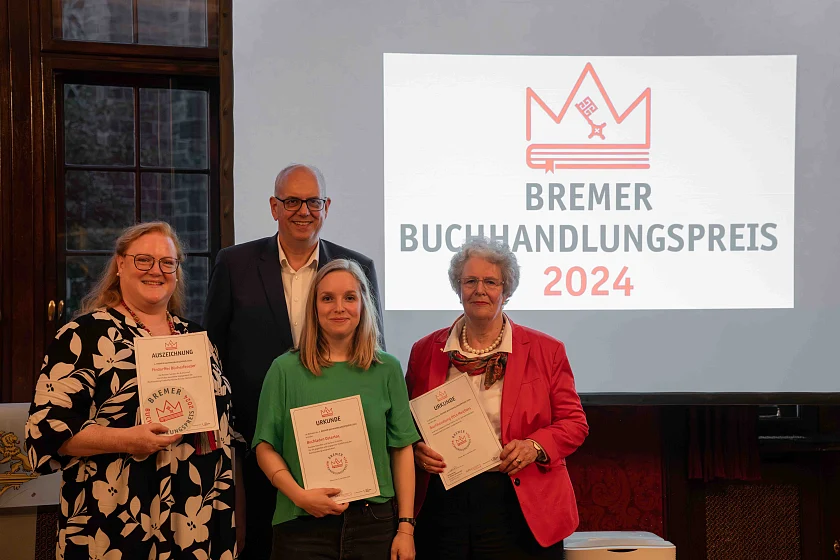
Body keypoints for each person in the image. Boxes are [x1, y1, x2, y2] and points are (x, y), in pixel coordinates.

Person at [25, 222, 240, 560]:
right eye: (143, 260)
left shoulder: (197, 339)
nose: (157, 271)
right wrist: (129, 440)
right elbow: (45, 432)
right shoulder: (82, 336)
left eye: (167, 263)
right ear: (120, 264)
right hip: (112, 518)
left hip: (195, 515)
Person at [203, 164, 383, 560]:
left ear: (326, 206)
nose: (303, 211)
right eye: (291, 201)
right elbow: (210, 351)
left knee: (339, 544)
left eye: (313, 201)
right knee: (265, 546)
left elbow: (372, 348)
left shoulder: (358, 268)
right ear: (274, 206)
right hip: (261, 438)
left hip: (343, 439)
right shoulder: (234, 265)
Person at [406, 237, 589, 559]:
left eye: (491, 281)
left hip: (519, 503)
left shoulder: (546, 351)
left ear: (507, 290)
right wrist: (416, 450)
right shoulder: (425, 351)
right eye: (470, 281)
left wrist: (534, 446)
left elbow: (574, 423)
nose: (480, 290)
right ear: (457, 287)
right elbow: (406, 423)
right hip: (444, 504)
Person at [252, 259, 419, 560]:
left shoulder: (387, 368)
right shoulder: (285, 369)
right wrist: (300, 496)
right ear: (314, 307)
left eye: (350, 297)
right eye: (327, 298)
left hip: (374, 524)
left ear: (363, 305)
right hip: (302, 524)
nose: (338, 307)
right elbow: (264, 447)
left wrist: (405, 528)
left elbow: (402, 448)